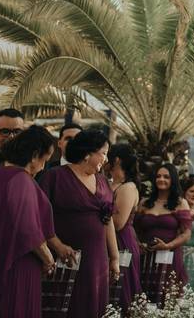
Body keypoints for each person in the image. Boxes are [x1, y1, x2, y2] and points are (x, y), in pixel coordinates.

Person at [0, 126, 58, 317]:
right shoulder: (20, 179)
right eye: (45, 160)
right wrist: (48, 259)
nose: (43, 167)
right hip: (17, 264)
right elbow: (27, 229)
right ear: (34, 155)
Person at [39, 129, 119, 318]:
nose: (106, 159)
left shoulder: (102, 181)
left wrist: (114, 257)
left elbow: (108, 220)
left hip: (97, 259)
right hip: (65, 258)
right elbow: (38, 217)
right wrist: (56, 245)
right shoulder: (54, 176)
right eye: (104, 153)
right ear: (87, 153)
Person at [135, 163, 192, 305]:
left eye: (166, 177)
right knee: (141, 300)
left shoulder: (181, 203)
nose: (161, 179)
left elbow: (186, 233)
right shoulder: (144, 202)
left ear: (173, 180)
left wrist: (167, 246)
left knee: (166, 299)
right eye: (158, 176)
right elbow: (134, 229)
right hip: (145, 258)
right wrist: (138, 243)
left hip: (169, 258)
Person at [107, 144, 142, 309]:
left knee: (120, 292)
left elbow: (119, 222)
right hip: (108, 240)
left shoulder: (127, 187)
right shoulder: (109, 183)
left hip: (122, 242)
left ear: (116, 160)